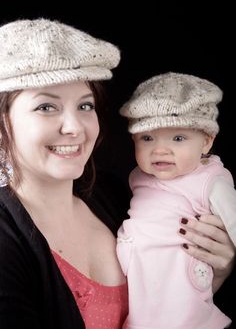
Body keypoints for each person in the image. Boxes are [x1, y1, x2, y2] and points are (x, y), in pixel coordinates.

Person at [0, 20, 234, 329]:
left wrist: (212, 273)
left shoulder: (119, 196)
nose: (75, 127)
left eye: (85, 105)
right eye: (46, 107)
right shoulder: (6, 244)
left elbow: (166, 308)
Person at [117, 72, 236, 329]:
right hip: (143, 281)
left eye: (178, 138)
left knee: (182, 314)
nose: (160, 150)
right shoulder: (137, 177)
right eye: (147, 138)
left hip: (181, 278)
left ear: (206, 141)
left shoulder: (209, 180)